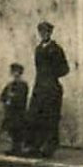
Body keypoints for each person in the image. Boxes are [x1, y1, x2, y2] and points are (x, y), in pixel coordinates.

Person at [27, 21, 70, 158]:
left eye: (46, 32)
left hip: (52, 89)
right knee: (36, 116)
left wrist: (52, 74)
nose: (43, 34)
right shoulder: (38, 49)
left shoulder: (56, 49)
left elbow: (65, 69)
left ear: (50, 33)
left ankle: (49, 147)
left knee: (51, 118)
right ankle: (36, 146)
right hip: (39, 87)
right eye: (41, 32)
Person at [0, 62, 30, 155]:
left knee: (18, 130)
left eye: (17, 72)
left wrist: (12, 98)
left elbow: (21, 98)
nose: (15, 74)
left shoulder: (23, 85)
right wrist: (6, 99)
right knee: (11, 130)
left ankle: (18, 148)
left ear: (20, 73)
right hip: (10, 112)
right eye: (13, 72)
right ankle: (13, 148)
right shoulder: (10, 85)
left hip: (18, 112)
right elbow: (2, 96)